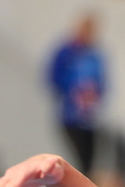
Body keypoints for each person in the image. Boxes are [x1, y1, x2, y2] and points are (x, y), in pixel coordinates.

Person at [47, 15, 106, 174]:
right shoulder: (66, 53)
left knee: (88, 163)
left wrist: (94, 96)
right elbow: (53, 77)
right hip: (70, 116)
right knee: (76, 159)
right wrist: (72, 90)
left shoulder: (94, 56)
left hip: (89, 118)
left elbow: (102, 83)